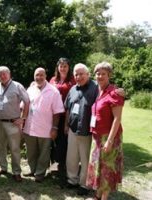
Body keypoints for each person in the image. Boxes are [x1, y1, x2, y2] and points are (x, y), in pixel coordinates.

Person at [86, 62, 124, 200]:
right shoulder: (99, 91)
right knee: (98, 167)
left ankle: (104, 197)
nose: (100, 76)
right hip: (97, 137)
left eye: (103, 73)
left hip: (109, 137)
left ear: (109, 75)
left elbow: (117, 119)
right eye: (98, 73)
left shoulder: (114, 93)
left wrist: (109, 141)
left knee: (107, 168)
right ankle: (98, 194)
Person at [23, 67, 64, 182]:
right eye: (37, 75)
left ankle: (40, 173)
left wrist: (55, 128)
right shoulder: (30, 89)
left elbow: (57, 112)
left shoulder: (53, 91)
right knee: (31, 151)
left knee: (44, 153)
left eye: (41, 75)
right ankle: (32, 170)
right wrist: (22, 121)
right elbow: (24, 106)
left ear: (46, 76)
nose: (39, 77)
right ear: (34, 76)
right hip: (30, 127)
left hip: (46, 129)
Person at [64, 63, 98, 195]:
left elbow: (108, 95)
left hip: (87, 131)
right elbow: (68, 108)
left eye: (81, 74)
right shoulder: (72, 89)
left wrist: (119, 92)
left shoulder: (96, 88)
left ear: (88, 74)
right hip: (73, 129)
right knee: (71, 157)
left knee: (85, 159)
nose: (78, 77)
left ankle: (84, 184)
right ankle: (72, 180)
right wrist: (66, 125)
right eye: (76, 74)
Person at [0, 66, 30, 182]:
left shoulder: (17, 86)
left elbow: (27, 101)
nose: (2, 76)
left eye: (4, 73)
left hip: (13, 122)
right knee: (0, 147)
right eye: (0, 74)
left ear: (9, 74)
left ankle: (17, 172)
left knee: (14, 148)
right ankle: (3, 167)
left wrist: (23, 118)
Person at [49, 58, 75, 180]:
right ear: (57, 67)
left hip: (65, 116)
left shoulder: (73, 81)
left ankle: (61, 168)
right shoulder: (53, 80)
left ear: (69, 67)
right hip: (53, 116)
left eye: (65, 66)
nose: (63, 68)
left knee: (62, 143)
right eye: (61, 66)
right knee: (52, 142)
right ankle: (53, 166)